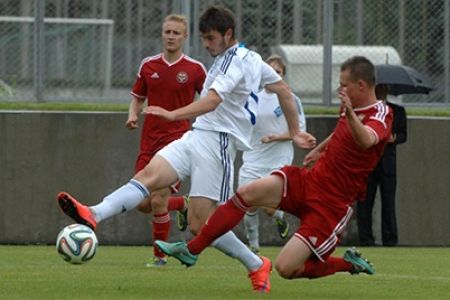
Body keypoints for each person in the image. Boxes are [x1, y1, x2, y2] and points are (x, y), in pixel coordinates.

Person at [56, 6, 316, 293]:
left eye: (210, 38)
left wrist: (173, 114)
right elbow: (283, 90)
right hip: (197, 136)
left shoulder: (236, 62)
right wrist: (295, 132)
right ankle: (94, 213)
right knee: (149, 176)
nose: (205, 44)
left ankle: (256, 264)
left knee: (199, 224)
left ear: (227, 34)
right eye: (203, 38)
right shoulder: (248, 57)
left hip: (219, 144)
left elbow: (213, 101)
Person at [156, 56, 393, 286]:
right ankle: (192, 250)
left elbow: (366, 140)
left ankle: (349, 264)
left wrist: (350, 113)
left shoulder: (381, 114)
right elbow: (341, 131)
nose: (339, 89)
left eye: (344, 85)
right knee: (247, 193)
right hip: (310, 181)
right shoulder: (349, 107)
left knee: (287, 268)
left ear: (361, 85)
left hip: (331, 204)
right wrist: (319, 150)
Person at [125, 14, 206, 267]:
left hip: (177, 143)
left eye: (176, 33)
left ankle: (159, 257)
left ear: (185, 37)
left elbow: (209, 102)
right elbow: (138, 96)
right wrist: (132, 115)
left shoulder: (195, 69)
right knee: (141, 202)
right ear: (162, 34)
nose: (171, 37)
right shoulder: (148, 65)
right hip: (148, 142)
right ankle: (182, 204)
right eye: (167, 32)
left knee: (158, 199)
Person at [240, 55, 307, 254]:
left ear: (283, 75)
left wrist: (276, 137)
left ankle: (279, 216)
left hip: (278, 159)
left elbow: (299, 132)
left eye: (277, 72)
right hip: (253, 158)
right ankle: (254, 247)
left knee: (268, 208)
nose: (272, 75)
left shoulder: (290, 98)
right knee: (248, 204)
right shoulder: (252, 97)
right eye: (269, 71)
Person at [356, 84, 407, 247]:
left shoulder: (397, 110)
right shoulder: (364, 111)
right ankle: (366, 239)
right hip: (368, 164)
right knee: (364, 203)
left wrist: (395, 137)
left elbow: (404, 135)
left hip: (387, 165)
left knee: (388, 203)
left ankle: (390, 239)